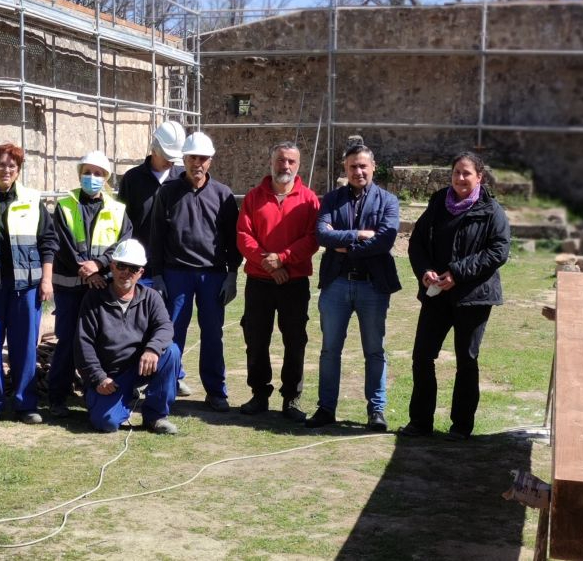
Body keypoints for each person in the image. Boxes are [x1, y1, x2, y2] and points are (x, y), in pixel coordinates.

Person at [398, 151, 510, 440]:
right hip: (437, 295)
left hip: (473, 296)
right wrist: (425, 271)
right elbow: (418, 243)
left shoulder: (491, 210)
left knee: (466, 360)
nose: (460, 178)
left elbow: (499, 251)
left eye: (467, 173)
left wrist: (456, 273)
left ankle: (461, 426)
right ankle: (420, 422)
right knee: (422, 356)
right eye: (456, 172)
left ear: (479, 177)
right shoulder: (438, 204)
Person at [306, 144, 401, 431]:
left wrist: (347, 246)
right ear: (345, 169)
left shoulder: (388, 201)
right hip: (336, 285)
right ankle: (326, 408)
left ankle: (376, 411)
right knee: (329, 350)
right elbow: (322, 234)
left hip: (373, 287)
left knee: (374, 351)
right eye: (352, 167)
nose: (358, 171)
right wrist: (358, 236)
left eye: (363, 166)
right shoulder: (332, 199)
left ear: (373, 167)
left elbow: (385, 240)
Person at [148, 131, 241, 411]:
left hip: (212, 275)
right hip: (176, 274)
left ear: (210, 161)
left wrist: (233, 274)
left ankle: (216, 391)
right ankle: (168, 387)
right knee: (172, 334)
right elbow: (156, 237)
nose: (197, 163)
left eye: (202, 158)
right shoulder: (167, 193)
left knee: (213, 334)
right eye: (191, 157)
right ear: (184, 159)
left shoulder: (223, 195)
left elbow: (232, 238)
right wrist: (159, 277)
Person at [0, 143, 58, 427]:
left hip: (27, 287)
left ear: (19, 170)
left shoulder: (33, 200)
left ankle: (25, 404)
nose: (6, 170)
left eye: (12, 166)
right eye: (0, 164)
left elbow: (48, 241)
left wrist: (47, 279)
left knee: (25, 347)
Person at [236, 141, 319, 421]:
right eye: (281, 160)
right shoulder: (253, 197)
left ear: (299, 165)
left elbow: (312, 239)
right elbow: (243, 236)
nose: (285, 166)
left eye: (291, 162)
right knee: (256, 339)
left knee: (295, 340)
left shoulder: (309, 199)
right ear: (271, 162)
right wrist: (269, 264)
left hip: (294, 283)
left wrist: (283, 259)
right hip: (259, 282)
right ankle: (259, 394)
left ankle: (291, 399)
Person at [48, 150, 132, 418]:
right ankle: (57, 396)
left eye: (98, 174)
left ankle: (93, 391)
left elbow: (122, 243)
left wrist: (100, 264)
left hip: (101, 287)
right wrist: (86, 269)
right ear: (80, 174)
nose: (92, 178)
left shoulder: (118, 210)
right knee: (68, 341)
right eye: (88, 172)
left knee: (100, 342)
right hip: (71, 288)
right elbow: (62, 243)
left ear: (106, 178)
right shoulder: (65, 206)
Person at [75, 239, 181, 434]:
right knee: (106, 423)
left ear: (141, 272)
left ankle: (155, 416)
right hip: (109, 376)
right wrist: (98, 378)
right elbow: (83, 343)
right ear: (112, 266)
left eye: (133, 268)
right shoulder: (94, 299)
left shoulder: (151, 297)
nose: (126, 272)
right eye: (121, 266)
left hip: (139, 368)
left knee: (171, 352)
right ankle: (107, 400)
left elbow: (165, 327)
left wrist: (152, 348)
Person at [117, 120, 186, 276]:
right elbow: (123, 222)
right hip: (139, 264)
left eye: (174, 158)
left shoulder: (182, 179)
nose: (170, 162)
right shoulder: (132, 179)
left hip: (174, 265)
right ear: (154, 150)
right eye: (167, 157)